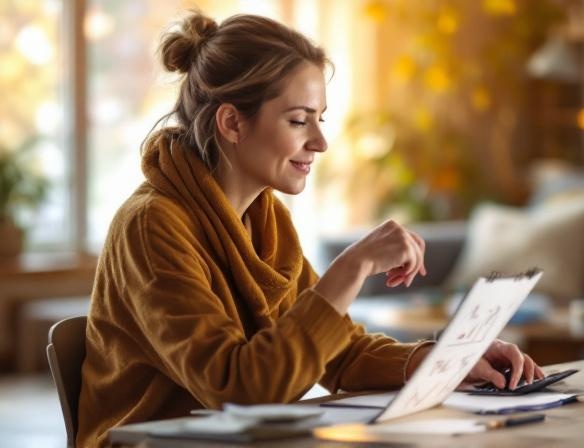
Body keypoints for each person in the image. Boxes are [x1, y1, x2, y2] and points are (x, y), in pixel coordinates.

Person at [77, 11, 544, 446]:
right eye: (298, 120)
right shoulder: (151, 225)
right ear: (232, 122)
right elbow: (240, 388)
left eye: (319, 120)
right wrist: (352, 267)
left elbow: (338, 354)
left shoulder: (266, 217)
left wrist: (449, 361)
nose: (320, 142)